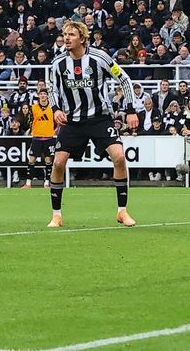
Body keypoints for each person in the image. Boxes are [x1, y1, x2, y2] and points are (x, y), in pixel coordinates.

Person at [46, 20, 139, 228]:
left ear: (82, 38)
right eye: (65, 34)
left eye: (71, 35)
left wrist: (131, 109)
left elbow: (124, 79)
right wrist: (56, 109)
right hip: (72, 121)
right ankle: (56, 215)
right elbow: (52, 87)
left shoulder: (99, 58)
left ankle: (122, 211)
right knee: (58, 163)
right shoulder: (58, 63)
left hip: (99, 118)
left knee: (119, 157)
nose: (67, 38)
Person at [24, 88, 56, 188]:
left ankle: (47, 183)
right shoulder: (33, 108)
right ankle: (28, 183)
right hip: (37, 137)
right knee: (32, 160)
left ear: (47, 96)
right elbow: (29, 121)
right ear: (38, 96)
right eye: (41, 94)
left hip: (49, 137)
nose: (42, 96)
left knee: (48, 161)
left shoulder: (52, 108)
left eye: (44, 94)